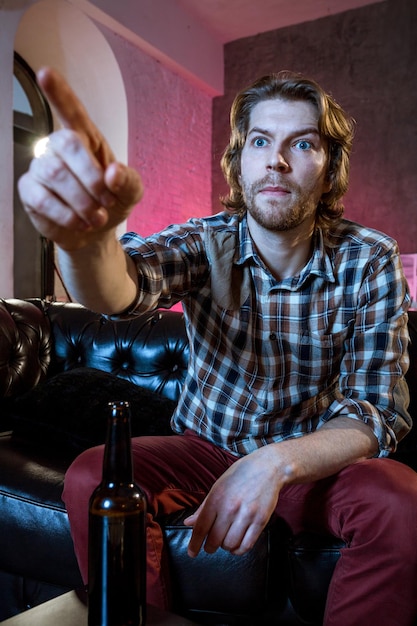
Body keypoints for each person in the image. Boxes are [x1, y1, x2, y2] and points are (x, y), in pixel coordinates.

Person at [18, 67, 417, 626]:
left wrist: (275, 464)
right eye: (260, 141)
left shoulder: (370, 258)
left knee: (400, 499)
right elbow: (121, 287)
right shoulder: (207, 242)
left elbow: (376, 412)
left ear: (329, 171)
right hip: (205, 451)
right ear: (240, 162)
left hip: (312, 465)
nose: (276, 159)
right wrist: (86, 242)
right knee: (94, 477)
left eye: (301, 143)